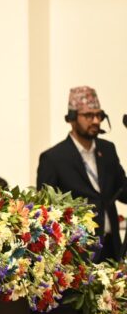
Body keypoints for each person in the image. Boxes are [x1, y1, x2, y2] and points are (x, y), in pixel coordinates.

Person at [37, 86, 127, 262]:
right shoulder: (53, 158)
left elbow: (123, 191)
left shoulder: (107, 150)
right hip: (78, 253)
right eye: (89, 116)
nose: (96, 121)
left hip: (112, 249)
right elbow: (46, 211)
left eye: (99, 115)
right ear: (72, 118)